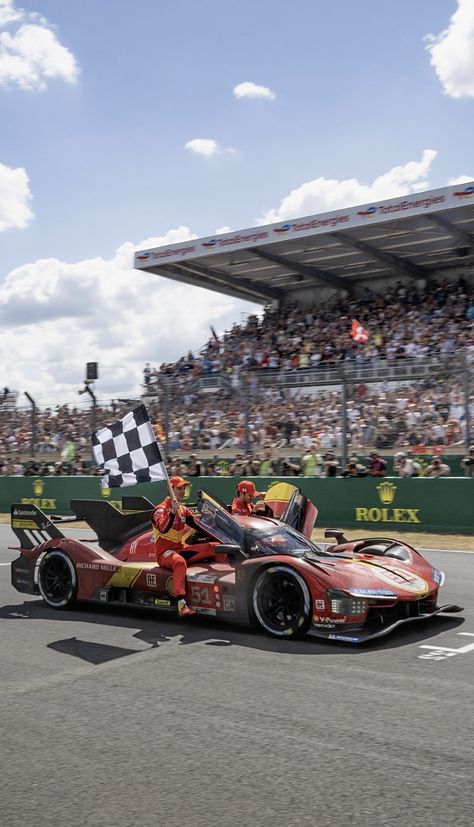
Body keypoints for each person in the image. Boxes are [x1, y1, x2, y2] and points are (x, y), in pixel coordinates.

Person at [151, 476, 198, 617]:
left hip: (180, 548)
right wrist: (171, 512)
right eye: (179, 488)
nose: (183, 491)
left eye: (184, 488)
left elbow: (199, 525)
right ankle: (181, 604)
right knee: (179, 562)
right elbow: (163, 528)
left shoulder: (183, 510)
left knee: (211, 547)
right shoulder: (160, 510)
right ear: (171, 489)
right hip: (164, 552)